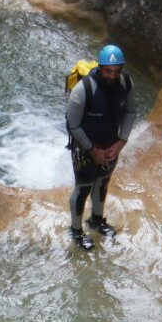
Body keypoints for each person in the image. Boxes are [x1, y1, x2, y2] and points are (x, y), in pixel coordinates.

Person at [66, 44, 136, 250]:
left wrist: (121, 142)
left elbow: (130, 112)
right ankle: (76, 231)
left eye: (117, 71)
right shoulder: (83, 90)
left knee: (103, 183)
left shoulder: (126, 84)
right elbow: (73, 125)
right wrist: (92, 150)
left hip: (111, 145)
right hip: (85, 147)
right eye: (108, 71)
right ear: (100, 67)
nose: (112, 76)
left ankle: (96, 220)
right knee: (83, 187)